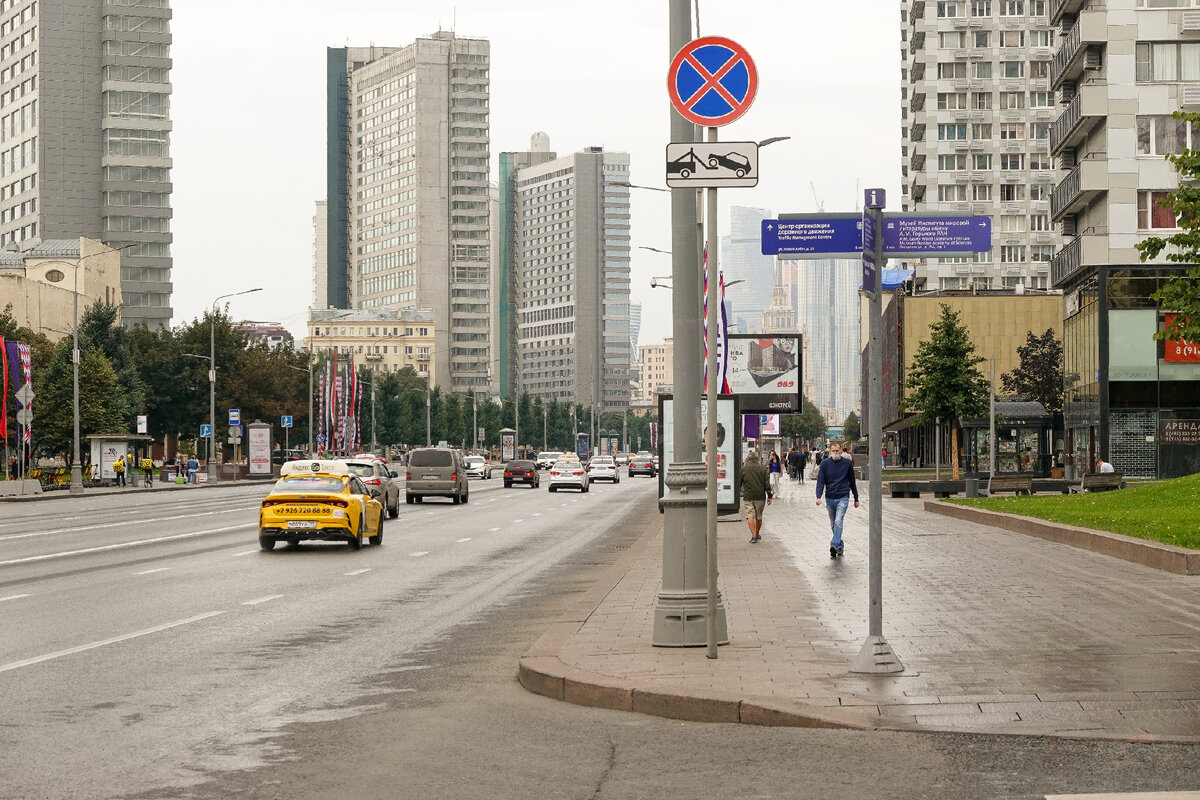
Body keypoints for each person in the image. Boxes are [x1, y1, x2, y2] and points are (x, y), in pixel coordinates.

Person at [815, 440, 859, 559]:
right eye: (833, 451)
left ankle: (834, 545)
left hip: (843, 496)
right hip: (830, 497)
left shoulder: (847, 463)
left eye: (837, 451)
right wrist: (818, 497)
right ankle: (840, 545)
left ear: (840, 450)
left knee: (838, 521)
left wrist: (856, 498)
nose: (835, 453)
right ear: (829, 451)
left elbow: (852, 481)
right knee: (833, 524)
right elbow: (820, 481)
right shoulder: (825, 464)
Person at [740, 450, 773, 544]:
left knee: (750, 515)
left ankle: (754, 535)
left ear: (748, 459)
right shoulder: (762, 469)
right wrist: (769, 495)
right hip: (760, 496)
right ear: (758, 459)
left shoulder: (744, 469)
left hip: (748, 496)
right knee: (759, 516)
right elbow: (767, 484)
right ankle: (757, 533)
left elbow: (739, 483)